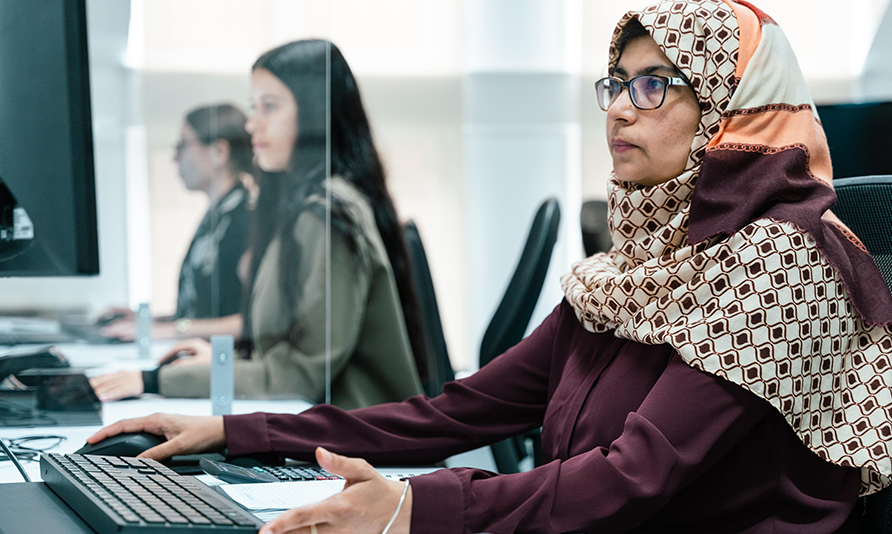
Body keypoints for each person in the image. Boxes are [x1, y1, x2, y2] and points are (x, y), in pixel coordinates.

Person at [87, 1, 892, 532]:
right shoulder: (639, 270)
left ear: (730, 110)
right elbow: (457, 413)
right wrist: (237, 431)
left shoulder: (788, 265)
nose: (616, 106)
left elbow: (634, 479)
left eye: (655, 86)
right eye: (616, 82)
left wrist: (408, 508)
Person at [91, 40, 428, 407]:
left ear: (316, 114)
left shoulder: (328, 214)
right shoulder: (304, 209)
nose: (252, 124)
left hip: (355, 445)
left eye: (269, 107)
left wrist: (155, 379)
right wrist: (224, 363)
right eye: (254, 108)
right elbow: (281, 348)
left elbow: (299, 375)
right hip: (319, 425)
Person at [97, 103, 254, 342]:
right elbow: (204, 313)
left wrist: (171, 330)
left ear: (219, 152)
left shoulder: (247, 218)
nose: (174, 157)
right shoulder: (218, 217)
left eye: (182, 145)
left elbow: (251, 321)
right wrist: (152, 321)